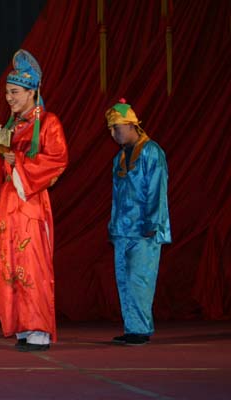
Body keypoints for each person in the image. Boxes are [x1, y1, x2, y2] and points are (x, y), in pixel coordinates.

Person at [0, 49, 68, 351]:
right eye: (7, 92)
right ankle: (21, 326)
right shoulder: (10, 127)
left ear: (32, 92)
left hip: (30, 203)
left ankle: (39, 329)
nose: (9, 98)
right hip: (8, 205)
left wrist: (16, 160)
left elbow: (57, 160)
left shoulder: (50, 123)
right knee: (9, 263)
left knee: (32, 265)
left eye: (15, 92)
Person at [106, 99, 171, 346]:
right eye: (111, 129)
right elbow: (116, 196)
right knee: (124, 279)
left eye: (117, 127)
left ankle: (141, 329)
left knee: (140, 280)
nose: (113, 134)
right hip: (123, 229)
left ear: (131, 125)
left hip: (145, 229)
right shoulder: (119, 158)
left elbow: (157, 189)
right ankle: (132, 327)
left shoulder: (152, 152)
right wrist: (113, 225)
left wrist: (152, 223)